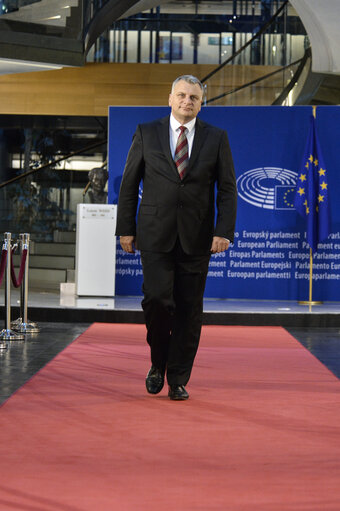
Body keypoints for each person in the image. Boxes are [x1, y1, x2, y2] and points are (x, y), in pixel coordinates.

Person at [116, 75, 237, 400]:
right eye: (182, 95)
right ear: (170, 98)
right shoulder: (146, 132)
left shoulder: (217, 137)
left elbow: (227, 189)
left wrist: (223, 231)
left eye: (194, 97)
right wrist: (125, 228)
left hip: (197, 238)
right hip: (154, 235)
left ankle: (178, 378)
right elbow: (129, 184)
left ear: (202, 103)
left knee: (188, 308)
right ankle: (158, 363)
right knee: (156, 299)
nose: (187, 101)